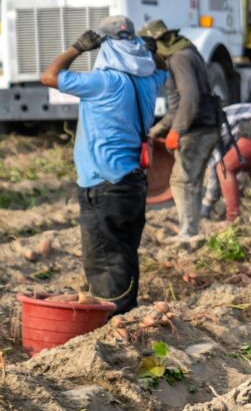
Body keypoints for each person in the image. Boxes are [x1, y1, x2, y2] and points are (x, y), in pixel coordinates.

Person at [39, 16, 168, 315]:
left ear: (105, 47)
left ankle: (114, 322)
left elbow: (49, 76)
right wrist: (151, 53)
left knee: (105, 262)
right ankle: (127, 313)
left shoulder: (102, 82)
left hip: (103, 185)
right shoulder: (147, 81)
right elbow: (165, 69)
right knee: (123, 254)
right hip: (133, 184)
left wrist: (76, 48)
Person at [139, 20, 222, 242]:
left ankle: (188, 232)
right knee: (191, 180)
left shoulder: (179, 58)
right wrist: (156, 130)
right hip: (205, 125)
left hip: (197, 129)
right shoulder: (186, 53)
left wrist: (176, 131)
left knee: (182, 181)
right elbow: (176, 107)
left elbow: (190, 97)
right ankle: (191, 230)